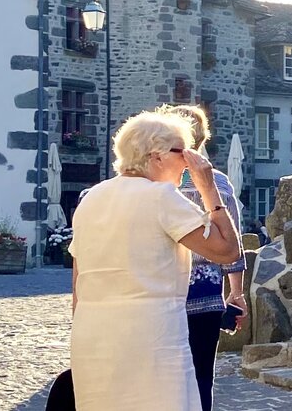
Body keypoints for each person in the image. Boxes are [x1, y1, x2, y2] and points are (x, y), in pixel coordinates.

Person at [69, 110, 243, 411]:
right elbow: (228, 250)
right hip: (151, 336)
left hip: (93, 336)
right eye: (183, 151)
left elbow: (78, 282)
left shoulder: (91, 199)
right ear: (157, 156)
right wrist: (207, 188)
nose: (189, 160)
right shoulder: (161, 197)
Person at [161, 104, 248, 411]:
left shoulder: (157, 185)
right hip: (205, 295)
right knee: (200, 376)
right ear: (204, 139)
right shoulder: (218, 183)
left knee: (162, 376)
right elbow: (232, 241)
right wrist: (236, 293)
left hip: (163, 293)